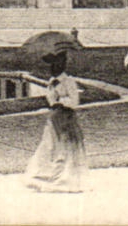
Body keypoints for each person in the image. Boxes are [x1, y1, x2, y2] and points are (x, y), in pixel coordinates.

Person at [24, 50, 86, 193]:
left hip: (66, 118)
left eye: (55, 64)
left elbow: (74, 101)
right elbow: (50, 99)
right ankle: (42, 177)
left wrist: (61, 102)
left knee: (65, 149)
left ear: (62, 65)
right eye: (51, 64)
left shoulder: (69, 81)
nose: (52, 67)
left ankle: (65, 180)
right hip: (54, 119)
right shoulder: (51, 82)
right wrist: (53, 101)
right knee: (49, 146)